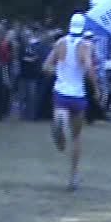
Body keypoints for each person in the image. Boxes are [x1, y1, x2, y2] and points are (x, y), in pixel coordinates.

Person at [43, 13, 99, 192]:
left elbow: (46, 66)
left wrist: (59, 73)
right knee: (77, 137)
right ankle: (73, 176)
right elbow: (89, 67)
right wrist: (96, 88)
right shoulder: (86, 45)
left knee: (61, 120)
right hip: (78, 94)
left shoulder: (60, 43)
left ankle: (59, 130)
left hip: (61, 91)